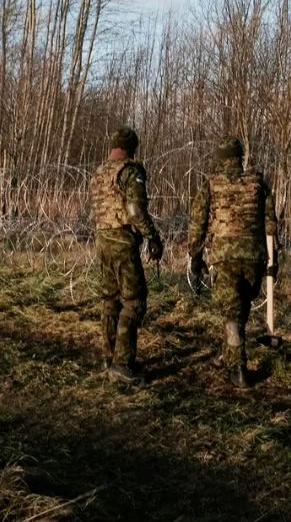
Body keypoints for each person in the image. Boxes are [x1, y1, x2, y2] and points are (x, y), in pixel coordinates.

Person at [186, 137, 279, 388]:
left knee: (232, 313)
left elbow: (197, 221)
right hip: (254, 257)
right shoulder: (257, 182)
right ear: (239, 157)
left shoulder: (212, 184)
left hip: (225, 256)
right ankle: (225, 351)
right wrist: (274, 257)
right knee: (240, 307)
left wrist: (195, 255)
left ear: (220, 158)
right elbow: (271, 222)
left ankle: (238, 368)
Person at [89, 126, 163, 384]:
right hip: (121, 240)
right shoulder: (129, 171)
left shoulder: (99, 173)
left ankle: (109, 356)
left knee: (110, 299)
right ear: (131, 149)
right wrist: (152, 236)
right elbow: (135, 210)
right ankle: (122, 363)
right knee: (134, 300)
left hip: (102, 239)